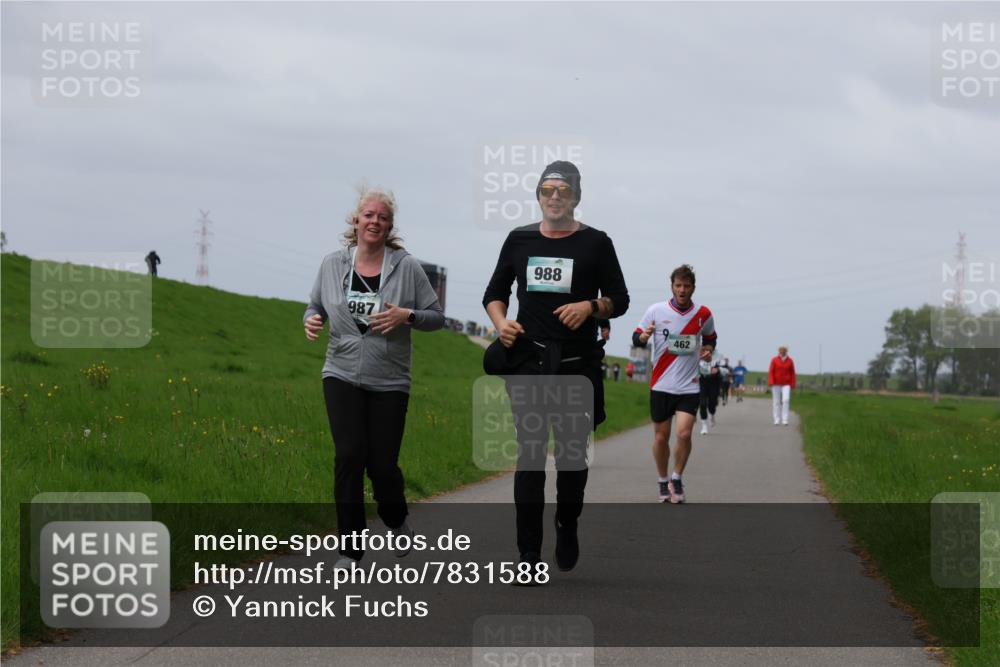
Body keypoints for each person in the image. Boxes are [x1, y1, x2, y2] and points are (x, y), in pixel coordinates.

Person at [482, 160, 629, 576]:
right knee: (529, 457)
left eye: (563, 190)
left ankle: (567, 521)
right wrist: (501, 324)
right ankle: (528, 558)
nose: (555, 197)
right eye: (547, 190)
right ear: (538, 196)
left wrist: (590, 307)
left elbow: (620, 298)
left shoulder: (596, 244)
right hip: (529, 363)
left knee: (570, 460)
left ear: (577, 197)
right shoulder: (518, 240)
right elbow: (494, 293)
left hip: (576, 365)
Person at [304, 186, 444, 569]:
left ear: (390, 226)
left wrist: (408, 316)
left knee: (382, 466)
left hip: (390, 379)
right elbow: (315, 304)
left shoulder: (407, 267)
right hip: (341, 371)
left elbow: (436, 318)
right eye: (369, 215)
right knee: (349, 456)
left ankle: (396, 519)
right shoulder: (333, 264)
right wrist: (311, 319)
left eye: (382, 217)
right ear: (356, 220)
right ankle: (349, 549)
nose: (375, 222)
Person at [633, 265, 717, 504]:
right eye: (678, 286)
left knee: (684, 433)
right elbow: (636, 337)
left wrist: (708, 350)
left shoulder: (703, 313)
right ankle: (662, 481)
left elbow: (711, 338)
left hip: (689, 386)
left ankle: (676, 477)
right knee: (661, 438)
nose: (682, 290)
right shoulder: (656, 311)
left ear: (693, 288)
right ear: (672, 287)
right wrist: (643, 337)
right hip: (661, 384)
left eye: (686, 286)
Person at [768, 346, 797, 425]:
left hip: (786, 384)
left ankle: (785, 419)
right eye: (781, 350)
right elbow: (771, 371)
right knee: (776, 401)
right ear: (779, 351)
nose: (782, 352)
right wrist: (771, 381)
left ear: (786, 351)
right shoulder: (774, 360)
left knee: (786, 400)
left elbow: (793, 373)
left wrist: (793, 384)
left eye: (784, 350)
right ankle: (776, 419)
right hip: (776, 384)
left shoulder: (790, 361)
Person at [698, 360, 721, 435]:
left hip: (713, 384)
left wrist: (716, 371)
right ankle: (704, 426)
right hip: (702, 384)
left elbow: (718, 372)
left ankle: (712, 415)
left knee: (712, 404)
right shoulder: (699, 360)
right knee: (702, 404)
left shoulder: (715, 361)